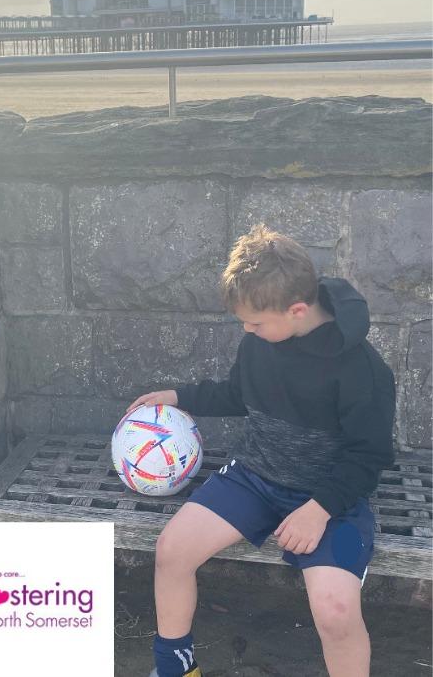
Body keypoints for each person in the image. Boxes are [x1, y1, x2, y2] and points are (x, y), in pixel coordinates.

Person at [127, 224, 395, 677]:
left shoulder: (364, 370)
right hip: (255, 477)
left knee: (334, 611)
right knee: (172, 549)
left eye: (254, 322)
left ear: (296, 310)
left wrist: (319, 509)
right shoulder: (260, 343)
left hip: (332, 501)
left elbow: (369, 458)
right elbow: (239, 393)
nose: (247, 330)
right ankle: (175, 668)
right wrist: (179, 395)